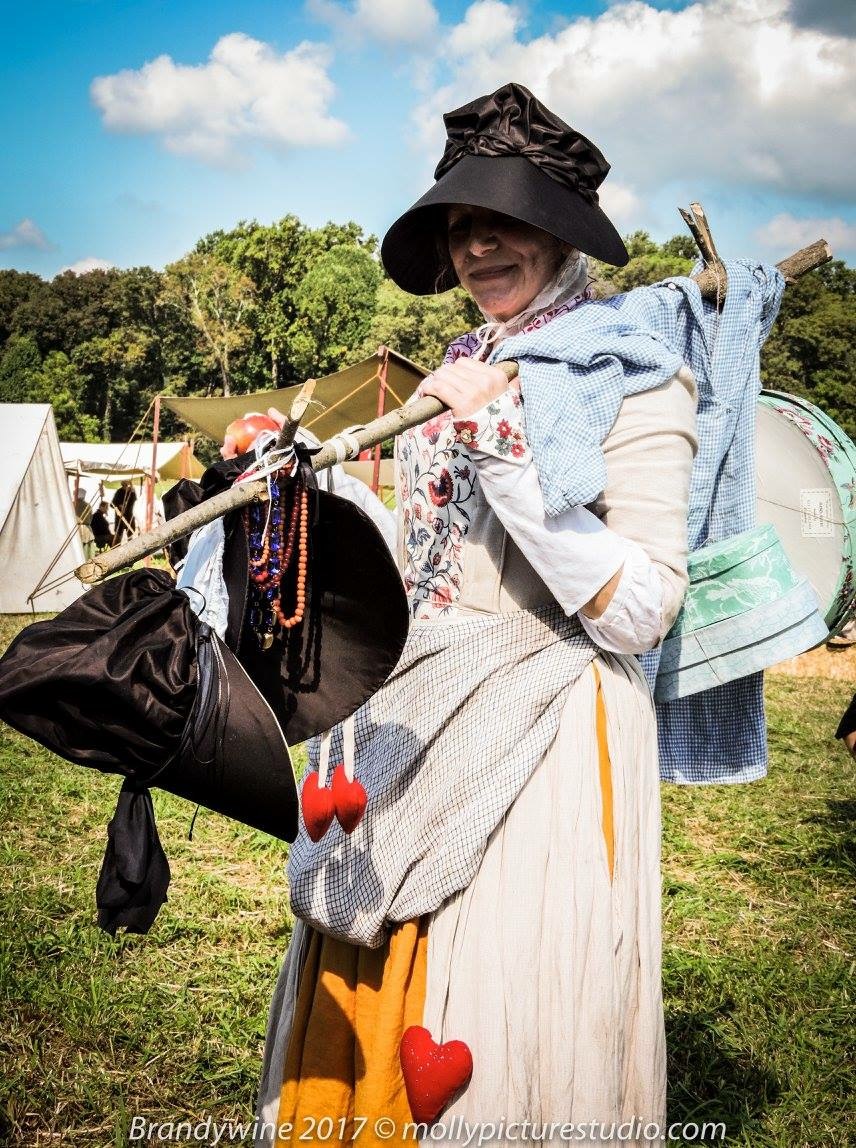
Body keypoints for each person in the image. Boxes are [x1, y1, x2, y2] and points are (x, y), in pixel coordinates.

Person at [256, 83, 702, 1143]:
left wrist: (503, 445)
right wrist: (312, 490)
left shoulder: (637, 374)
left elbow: (642, 607)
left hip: (548, 720)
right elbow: (429, 556)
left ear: (559, 230)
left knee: (500, 983)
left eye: (502, 220)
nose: (476, 246)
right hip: (421, 702)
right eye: (460, 225)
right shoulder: (458, 367)